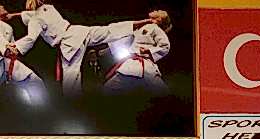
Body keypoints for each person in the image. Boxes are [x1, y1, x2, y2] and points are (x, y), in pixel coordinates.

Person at [6, 1, 155, 96]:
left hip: (69, 44)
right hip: (78, 31)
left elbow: (31, 37)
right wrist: (13, 15)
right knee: (109, 30)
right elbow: (29, 14)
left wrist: (16, 47)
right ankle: (143, 22)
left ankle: (73, 107)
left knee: (71, 79)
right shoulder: (48, 8)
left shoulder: (35, 20)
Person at [104, 9, 171, 95]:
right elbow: (126, 39)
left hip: (144, 65)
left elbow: (165, 46)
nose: (155, 10)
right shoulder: (141, 26)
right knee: (108, 88)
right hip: (130, 64)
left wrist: (149, 51)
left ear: (160, 19)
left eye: (158, 11)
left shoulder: (156, 29)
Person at [0, 5, 45, 100]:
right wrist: (6, 47)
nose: (3, 7)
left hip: (7, 62)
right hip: (2, 56)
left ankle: (39, 107)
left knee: (35, 81)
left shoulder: (8, 28)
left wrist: (13, 51)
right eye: (0, 7)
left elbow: (14, 47)